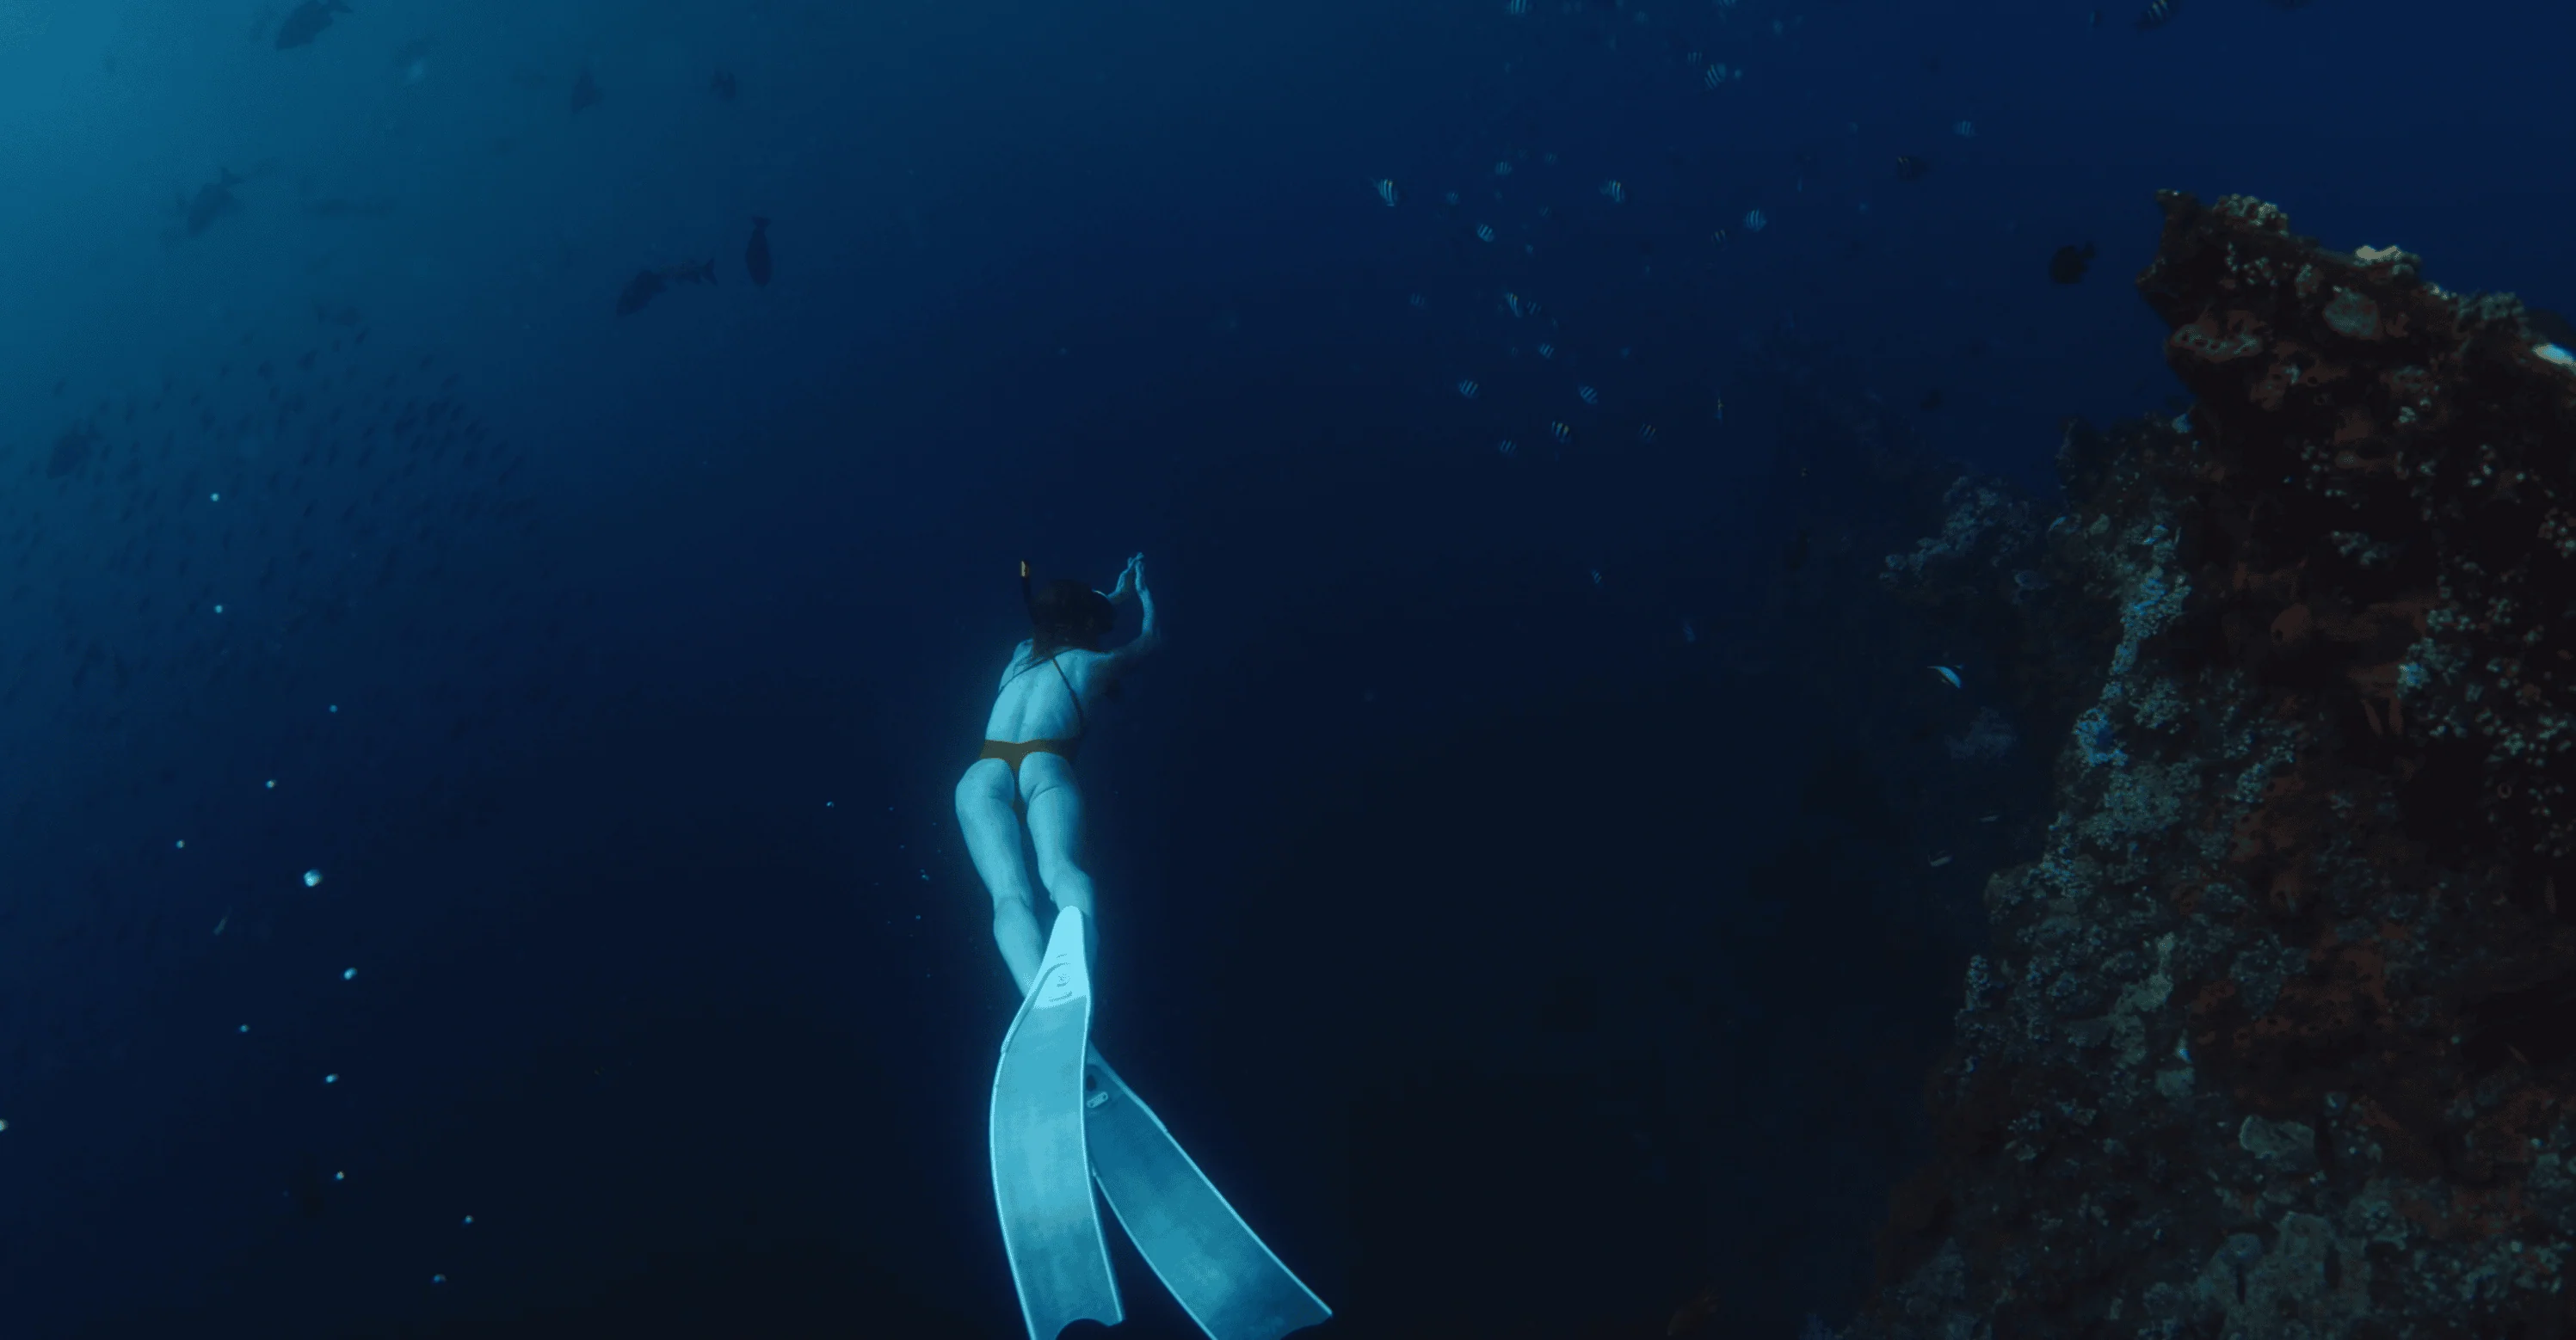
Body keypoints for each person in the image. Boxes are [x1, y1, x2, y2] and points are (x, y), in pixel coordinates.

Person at [957, 554, 1160, 997]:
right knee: (1060, 870)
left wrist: (1112, 596)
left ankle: (1036, 994)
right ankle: (1073, 981)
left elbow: (1057, 614)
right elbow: (1150, 640)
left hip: (982, 771)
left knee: (1008, 897)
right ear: (1088, 623)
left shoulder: (1018, 656)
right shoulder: (1094, 664)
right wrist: (1139, 596)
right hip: (1044, 762)